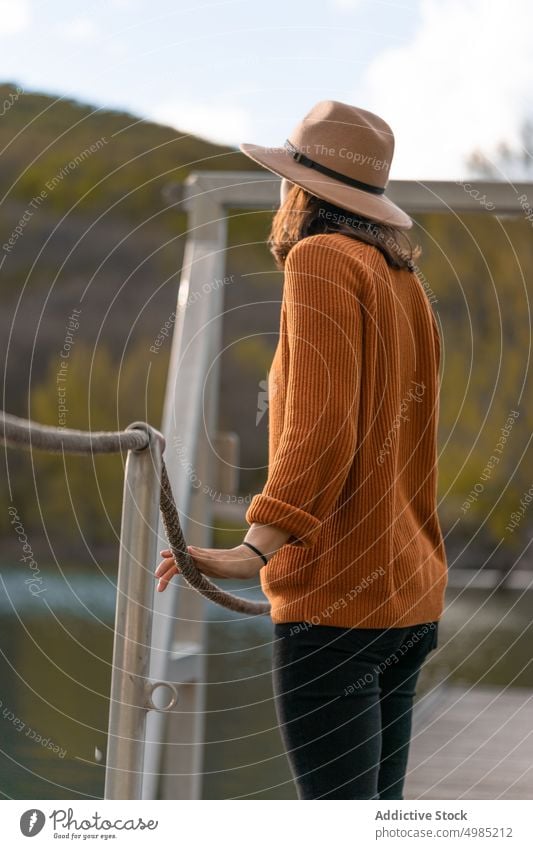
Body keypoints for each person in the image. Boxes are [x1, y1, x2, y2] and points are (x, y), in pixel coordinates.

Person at [154, 100, 448, 800]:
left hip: (338, 601)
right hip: (409, 594)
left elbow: (321, 427)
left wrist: (254, 547)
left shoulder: (319, 260)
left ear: (300, 191)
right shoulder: (408, 285)